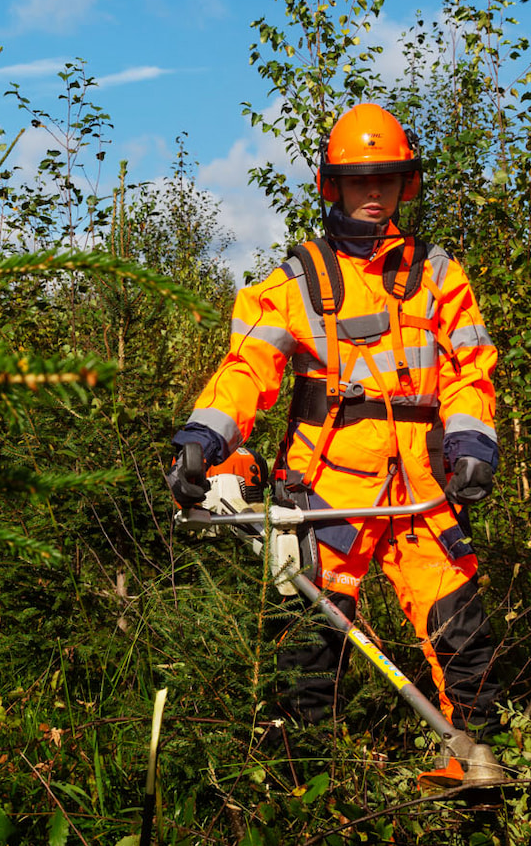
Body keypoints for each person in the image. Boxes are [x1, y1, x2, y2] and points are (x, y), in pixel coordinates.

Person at [167, 102, 504, 749]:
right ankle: (304, 803)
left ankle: (482, 791)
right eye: (358, 180)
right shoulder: (297, 283)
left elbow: (471, 367)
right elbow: (247, 369)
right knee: (307, 664)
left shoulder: (438, 276)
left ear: (405, 184)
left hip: (422, 493)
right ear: (333, 186)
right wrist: (203, 440)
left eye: (385, 179)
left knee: (468, 646)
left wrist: (470, 443)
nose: (372, 193)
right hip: (327, 497)